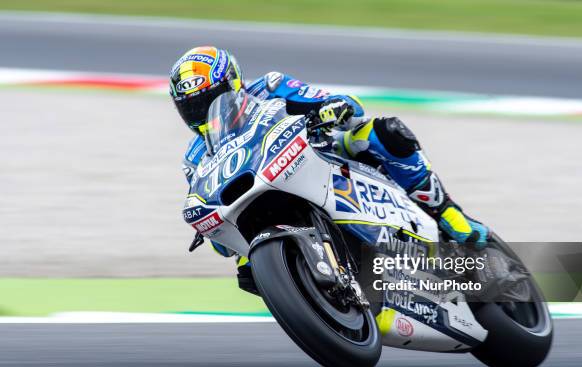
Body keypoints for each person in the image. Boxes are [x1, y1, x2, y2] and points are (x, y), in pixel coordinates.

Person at [170, 46, 489, 292]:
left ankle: (446, 212)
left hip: (323, 154)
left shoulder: (269, 88)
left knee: (383, 133)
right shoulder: (196, 155)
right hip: (265, 191)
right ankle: (308, 284)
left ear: (233, 83)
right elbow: (211, 207)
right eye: (192, 107)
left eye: (209, 100)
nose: (201, 113)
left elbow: (337, 101)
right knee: (245, 266)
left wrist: (331, 108)